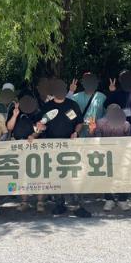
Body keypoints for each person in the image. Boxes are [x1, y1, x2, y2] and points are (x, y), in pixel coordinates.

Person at [30, 78, 91, 218]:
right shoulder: (47, 107)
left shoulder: (72, 104)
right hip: (53, 147)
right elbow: (40, 125)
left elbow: (79, 122)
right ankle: (59, 204)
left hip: (70, 146)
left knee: (74, 175)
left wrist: (76, 132)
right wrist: (35, 133)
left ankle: (77, 206)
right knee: (56, 175)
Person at [7, 91, 46, 213]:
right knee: (21, 174)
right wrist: (15, 115)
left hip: (36, 147)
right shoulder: (13, 110)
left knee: (39, 174)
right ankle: (24, 202)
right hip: (18, 146)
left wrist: (34, 135)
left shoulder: (38, 111)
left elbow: (41, 128)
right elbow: (9, 127)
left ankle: (40, 202)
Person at [88, 104, 131, 211]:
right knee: (107, 177)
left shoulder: (126, 124)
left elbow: (129, 141)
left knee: (123, 176)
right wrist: (91, 131)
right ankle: (109, 200)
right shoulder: (100, 123)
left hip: (122, 154)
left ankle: (123, 200)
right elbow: (96, 139)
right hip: (105, 154)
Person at [70, 72, 106, 137]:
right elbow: (65, 109)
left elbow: (107, 115)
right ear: (83, 83)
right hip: (80, 134)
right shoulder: (75, 97)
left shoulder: (102, 97)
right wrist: (71, 91)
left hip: (97, 134)